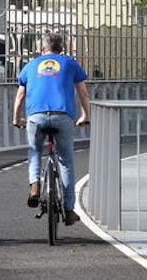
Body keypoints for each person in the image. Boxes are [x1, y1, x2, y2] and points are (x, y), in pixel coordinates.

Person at [12, 31, 90, 225]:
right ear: (61, 49)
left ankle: (35, 185)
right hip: (63, 116)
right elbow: (83, 93)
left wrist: (17, 118)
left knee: (35, 152)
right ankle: (69, 209)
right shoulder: (70, 63)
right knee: (66, 162)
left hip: (36, 117)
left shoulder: (30, 65)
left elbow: (20, 95)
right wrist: (85, 115)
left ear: (42, 49)